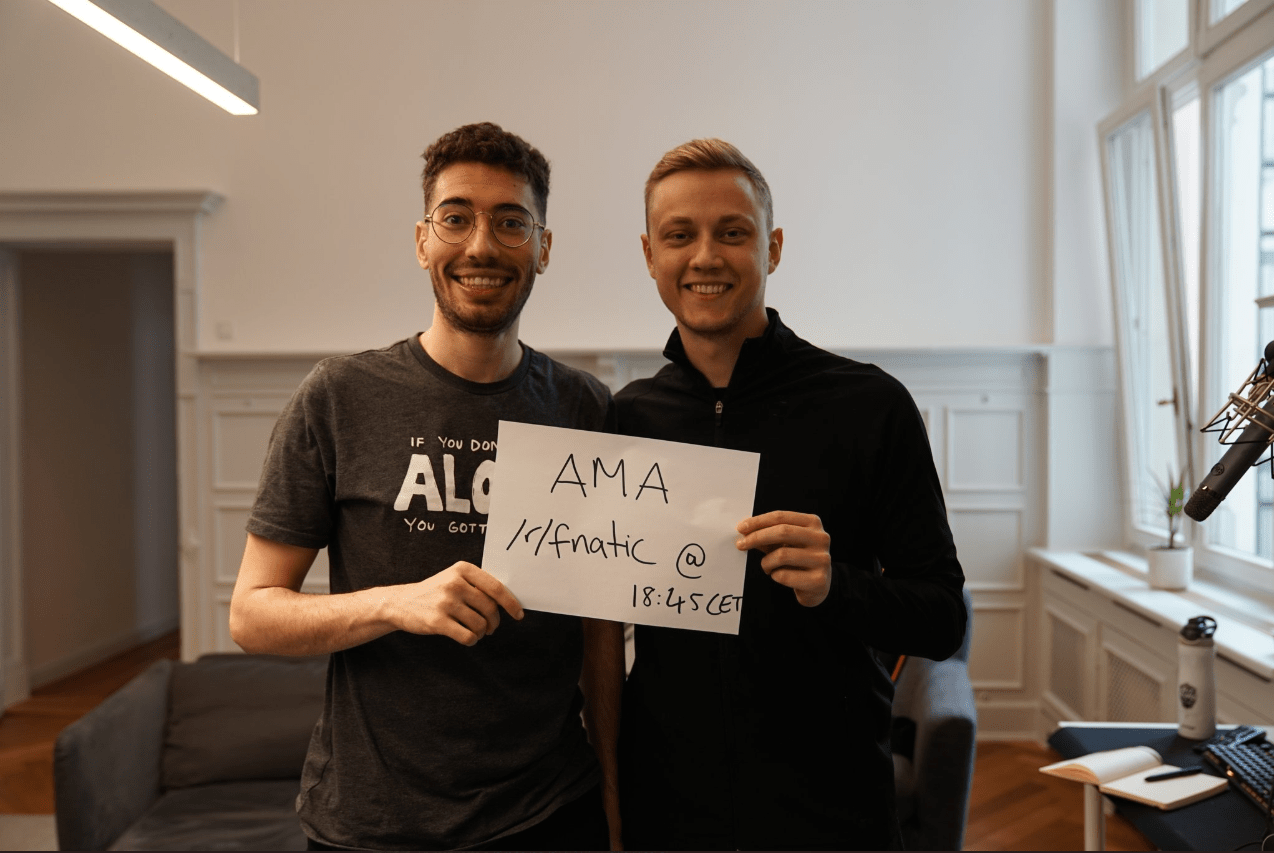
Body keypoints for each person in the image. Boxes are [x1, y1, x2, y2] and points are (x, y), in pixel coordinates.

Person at [229, 122, 624, 852]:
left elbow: (600, 634)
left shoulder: (583, 407)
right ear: (422, 241)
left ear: (542, 248)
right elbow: (252, 615)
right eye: (456, 218)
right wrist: (395, 603)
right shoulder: (339, 396)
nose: (481, 245)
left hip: (548, 813)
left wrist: (613, 795)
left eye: (511, 222)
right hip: (371, 823)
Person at [616, 138, 967, 851]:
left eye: (732, 232)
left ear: (772, 248)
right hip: (669, 809)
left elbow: (941, 619)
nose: (705, 257)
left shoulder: (870, 405)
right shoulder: (626, 420)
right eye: (679, 236)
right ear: (650, 255)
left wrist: (836, 585)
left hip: (832, 807)